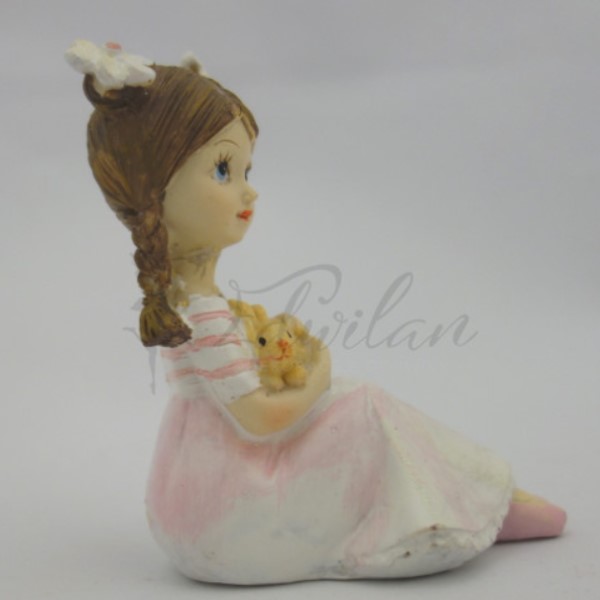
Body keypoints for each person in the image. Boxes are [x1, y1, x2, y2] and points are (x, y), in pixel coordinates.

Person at [67, 41, 566, 585]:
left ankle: (471, 493)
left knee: (349, 400)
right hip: (225, 514)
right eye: (223, 170)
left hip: (186, 498)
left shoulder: (185, 300)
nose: (249, 191)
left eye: (246, 169)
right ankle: (461, 503)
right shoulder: (202, 315)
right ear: (155, 191)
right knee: (363, 402)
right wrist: (318, 370)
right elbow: (260, 420)